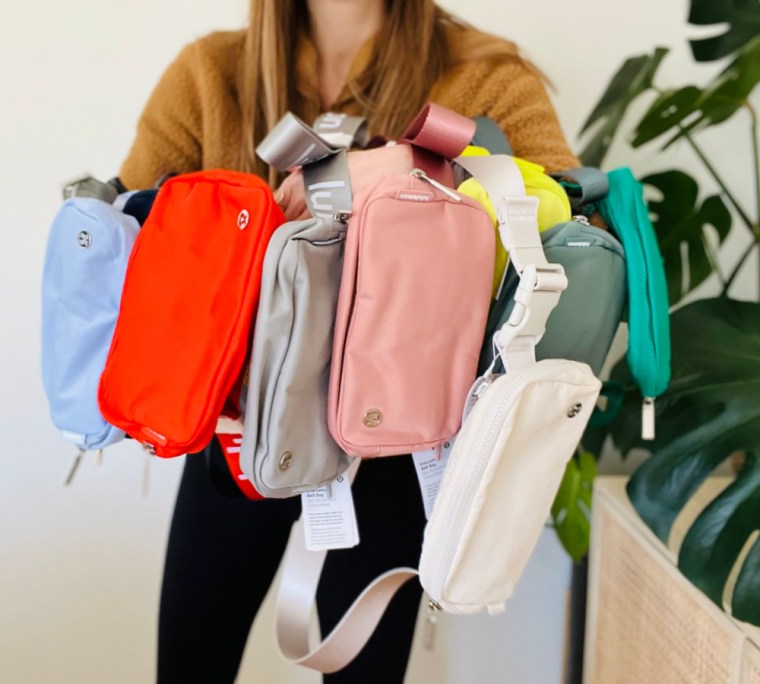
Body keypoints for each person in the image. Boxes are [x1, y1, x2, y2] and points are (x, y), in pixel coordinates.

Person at [118, 1, 579, 681]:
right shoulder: (211, 76)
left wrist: (424, 167)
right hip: (236, 429)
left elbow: (570, 218)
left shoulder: (484, 75)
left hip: (394, 445)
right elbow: (132, 230)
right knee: (188, 665)